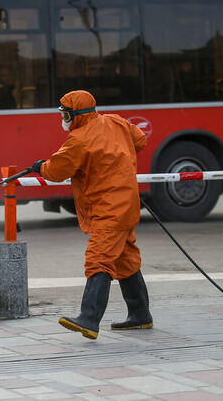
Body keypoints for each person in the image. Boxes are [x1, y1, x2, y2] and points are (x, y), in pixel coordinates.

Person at [27, 90, 152, 340]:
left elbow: (56, 171)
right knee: (124, 259)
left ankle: (89, 319)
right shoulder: (115, 121)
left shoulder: (79, 139)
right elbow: (139, 140)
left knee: (98, 259)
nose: (63, 118)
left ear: (75, 114)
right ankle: (140, 315)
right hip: (126, 202)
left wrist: (40, 167)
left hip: (108, 208)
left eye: (64, 114)